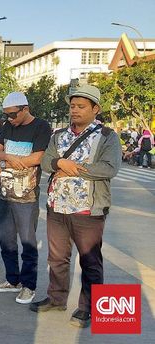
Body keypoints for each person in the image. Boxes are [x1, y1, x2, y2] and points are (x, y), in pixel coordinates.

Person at [31, 85, 122, 329]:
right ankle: (56, 298)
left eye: (81, 106)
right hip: (57, 207)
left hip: (88, 210)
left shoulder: (107, 136)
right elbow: (46, 161)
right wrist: (59, 161)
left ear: (96, 109)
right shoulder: (59, 136)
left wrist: (71, 168)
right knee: (57, 258)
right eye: (72, 106)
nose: (75, 110)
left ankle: (89, 307)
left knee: (90, 260)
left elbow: (109, 168)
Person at [0, 92, 52, 305]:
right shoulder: (8, 125)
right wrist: (10, 158)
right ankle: (12, 280)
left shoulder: (41, 126)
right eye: (6, 116)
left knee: (27, 241)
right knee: (6, 240)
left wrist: (11, 160)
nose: (10, 119)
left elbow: (39, 157)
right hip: (4, 192)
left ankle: (28, 286)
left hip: (26, 194)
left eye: (13, 114)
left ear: (25, 108)